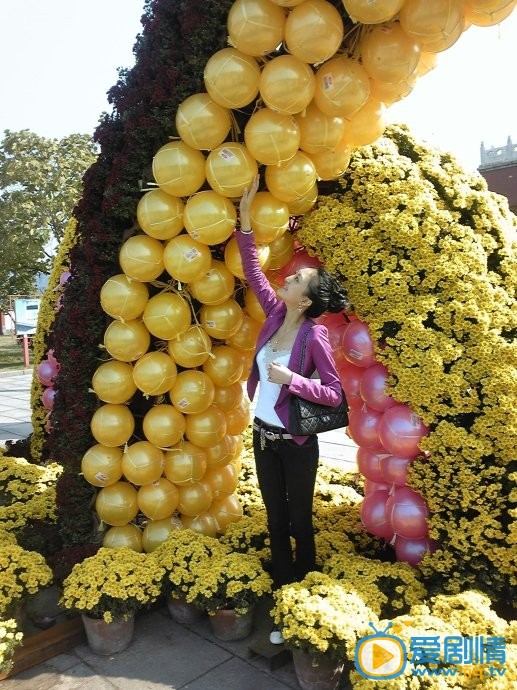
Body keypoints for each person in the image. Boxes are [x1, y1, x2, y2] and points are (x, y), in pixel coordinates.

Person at [238, 176, 349, 644]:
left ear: (305, 299)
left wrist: (293, 381)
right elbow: (253, 271)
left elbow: (334, 394)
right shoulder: (276, 314)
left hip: (297, 445)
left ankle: (306, 592)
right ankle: (283, 593)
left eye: (296, 280)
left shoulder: (314, 335)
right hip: (263, 436)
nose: (287, 278)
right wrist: (245, 224)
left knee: (300, 520)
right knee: (274, 518)